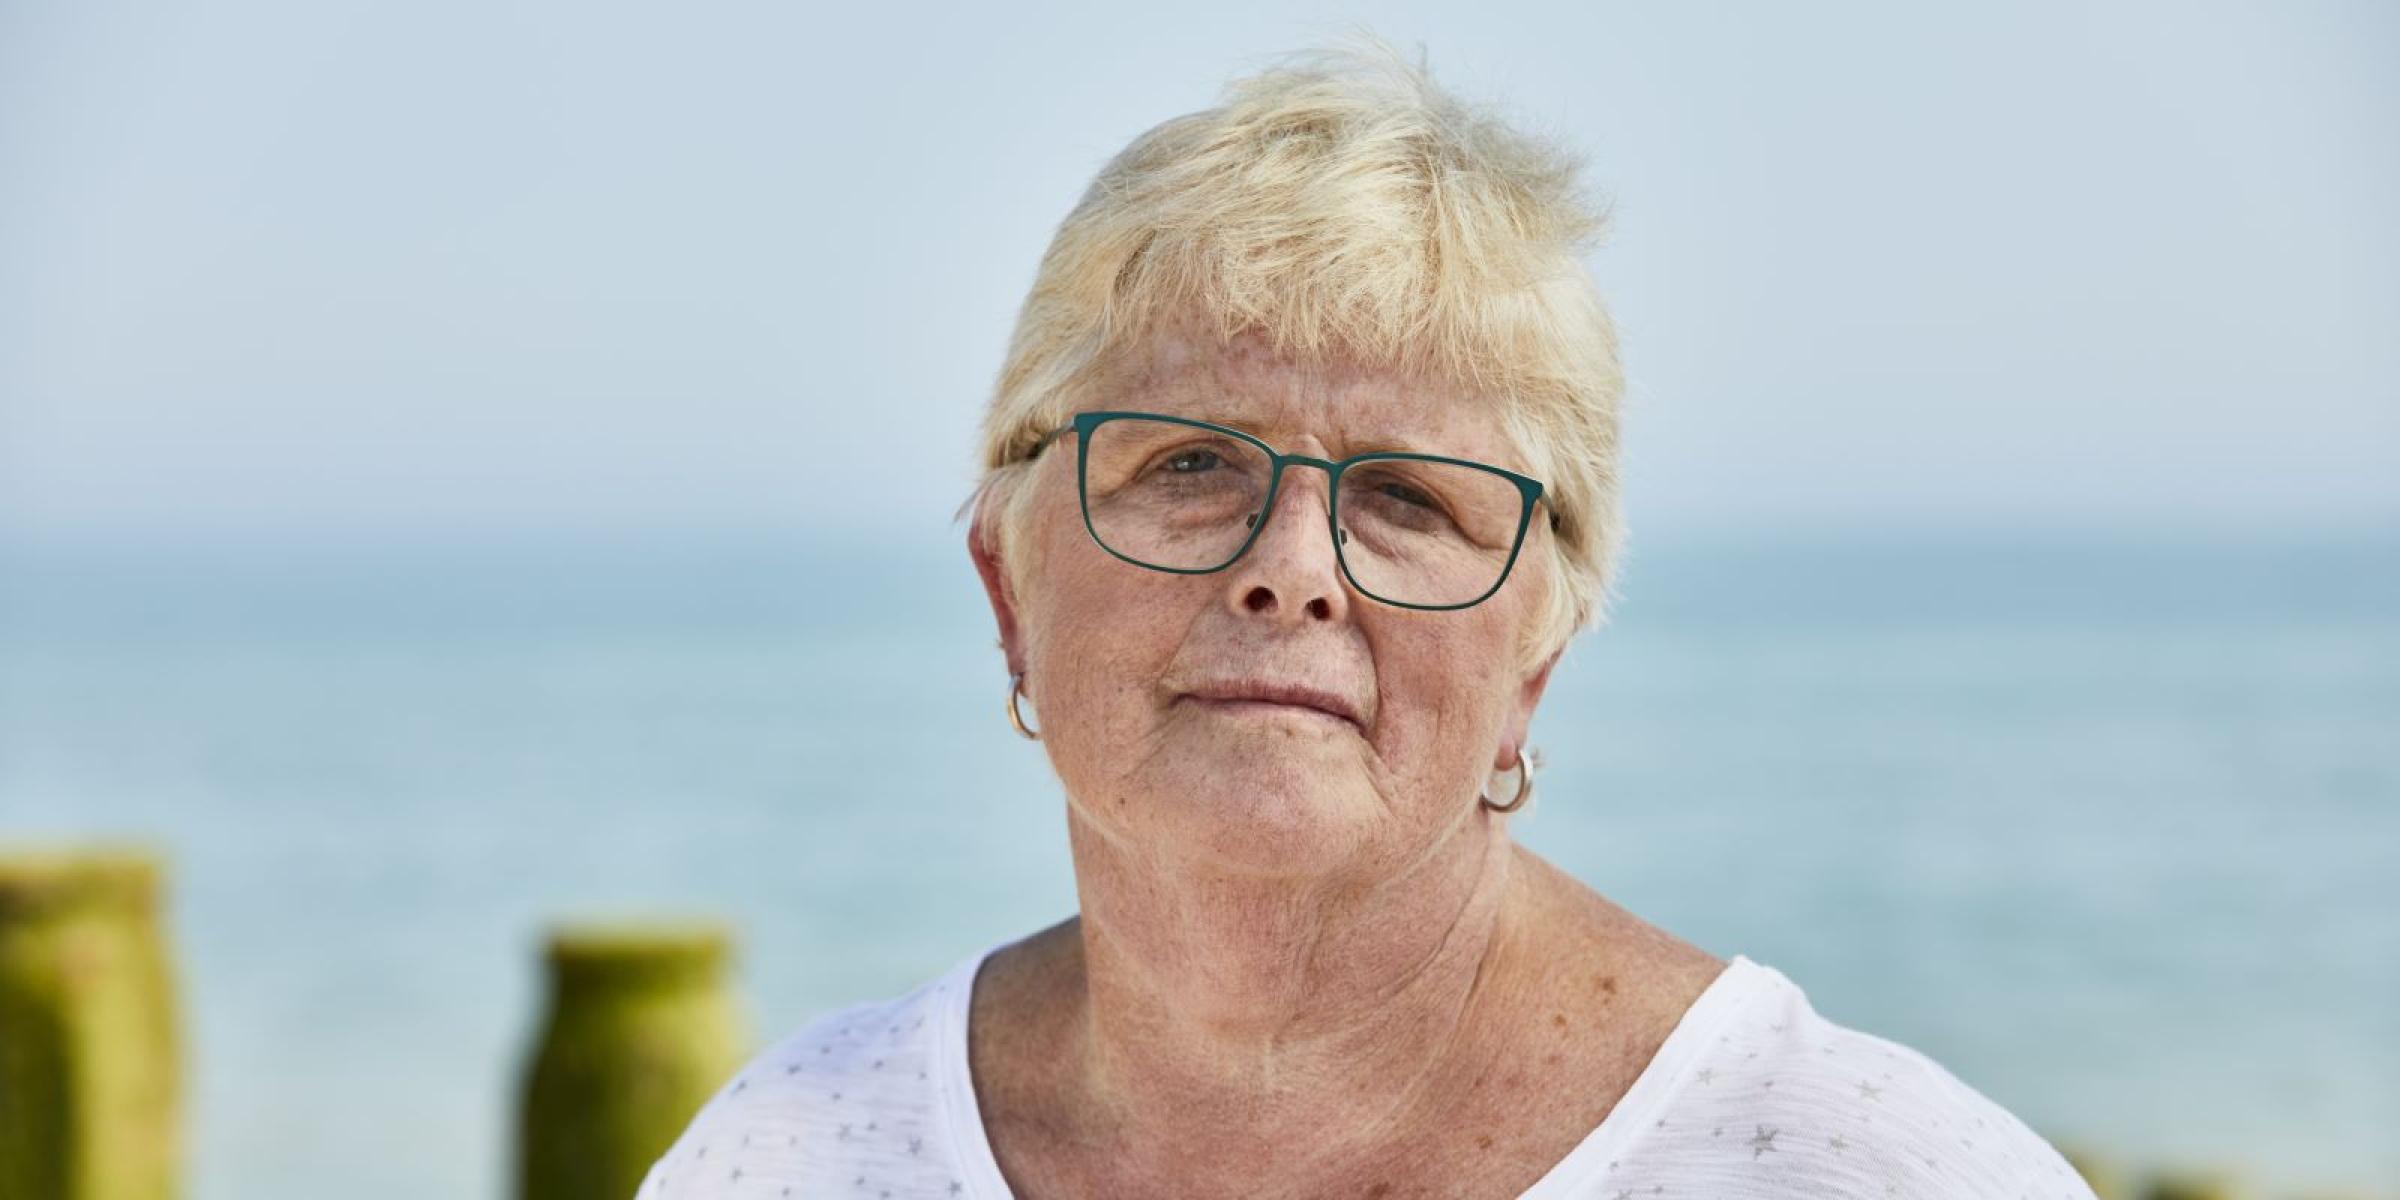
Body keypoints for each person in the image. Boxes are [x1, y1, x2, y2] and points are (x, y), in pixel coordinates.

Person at [639, 34, 2101, 1200]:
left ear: (1537, 660)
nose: (1294, 566)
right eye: (1189, 463)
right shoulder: (789, 1156)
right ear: (1008, 591)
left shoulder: (1859, 1167)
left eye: (1408, 498)